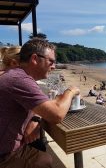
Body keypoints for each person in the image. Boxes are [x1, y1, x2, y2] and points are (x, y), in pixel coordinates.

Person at [0, 39, 80, 168]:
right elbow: (57, 115)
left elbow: (41, 106)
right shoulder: (19, 79)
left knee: (40, 149)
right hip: (4, 154)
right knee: (44, 160)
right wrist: (70, 91)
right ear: (35, 58)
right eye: (51, 61)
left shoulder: (14, 75)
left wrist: (35, 118)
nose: (54, 66)